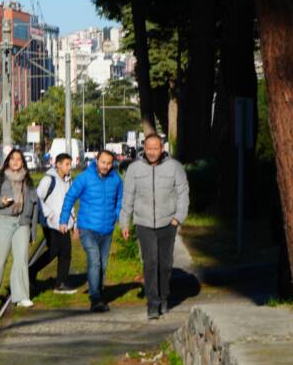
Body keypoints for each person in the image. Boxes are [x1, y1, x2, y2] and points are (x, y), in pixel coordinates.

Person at [119, 134, 189, 319]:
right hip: (144, 223)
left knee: (165, 264)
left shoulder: (175, 167)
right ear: (144, 148)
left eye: (155, 148)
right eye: (149, 148)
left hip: (168, 222)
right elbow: (128, 197)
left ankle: (164, 297)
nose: (152, 152)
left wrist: (178, 218)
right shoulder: (134, 169)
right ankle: (153, 303)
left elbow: (183, 194)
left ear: (162, 148)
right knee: (150, 262)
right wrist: (124, 222)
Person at [60, 150, 123, 312]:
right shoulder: (84, 178)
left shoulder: (116, 179)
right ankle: (95, 298)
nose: (106, 166)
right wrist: (63, 220)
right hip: (87, 227)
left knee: (102, 264)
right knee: (94, 260)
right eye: (103, 162)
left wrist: (116, 216)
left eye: (109, 163)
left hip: (107, 228)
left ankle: (98, 291)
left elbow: (120, 200)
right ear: (97, 160)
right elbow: (70, 197)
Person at [0, 149, 39, 307]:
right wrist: (1, 201)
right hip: (3, 221)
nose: (16, 162)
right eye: (13, 159)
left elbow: (34, 207)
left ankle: (21, 296)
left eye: (19, 159)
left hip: (22, 223)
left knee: (21, 260)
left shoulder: (28, 181)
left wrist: (33, 232)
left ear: (23, 163)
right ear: (8, 161)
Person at [36, 153, 78, 294]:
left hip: (64, 223)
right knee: (54, 250)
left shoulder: (69, 181)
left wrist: (75, 223)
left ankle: (60, 283)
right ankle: (31, 271)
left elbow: (70, 203)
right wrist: (49, 214)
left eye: (70, 164)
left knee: (65, 251)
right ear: (58, 164)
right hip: (50, 222)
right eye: (66, 164)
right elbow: (38, 197)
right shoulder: (48, 180)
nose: (69, 167)